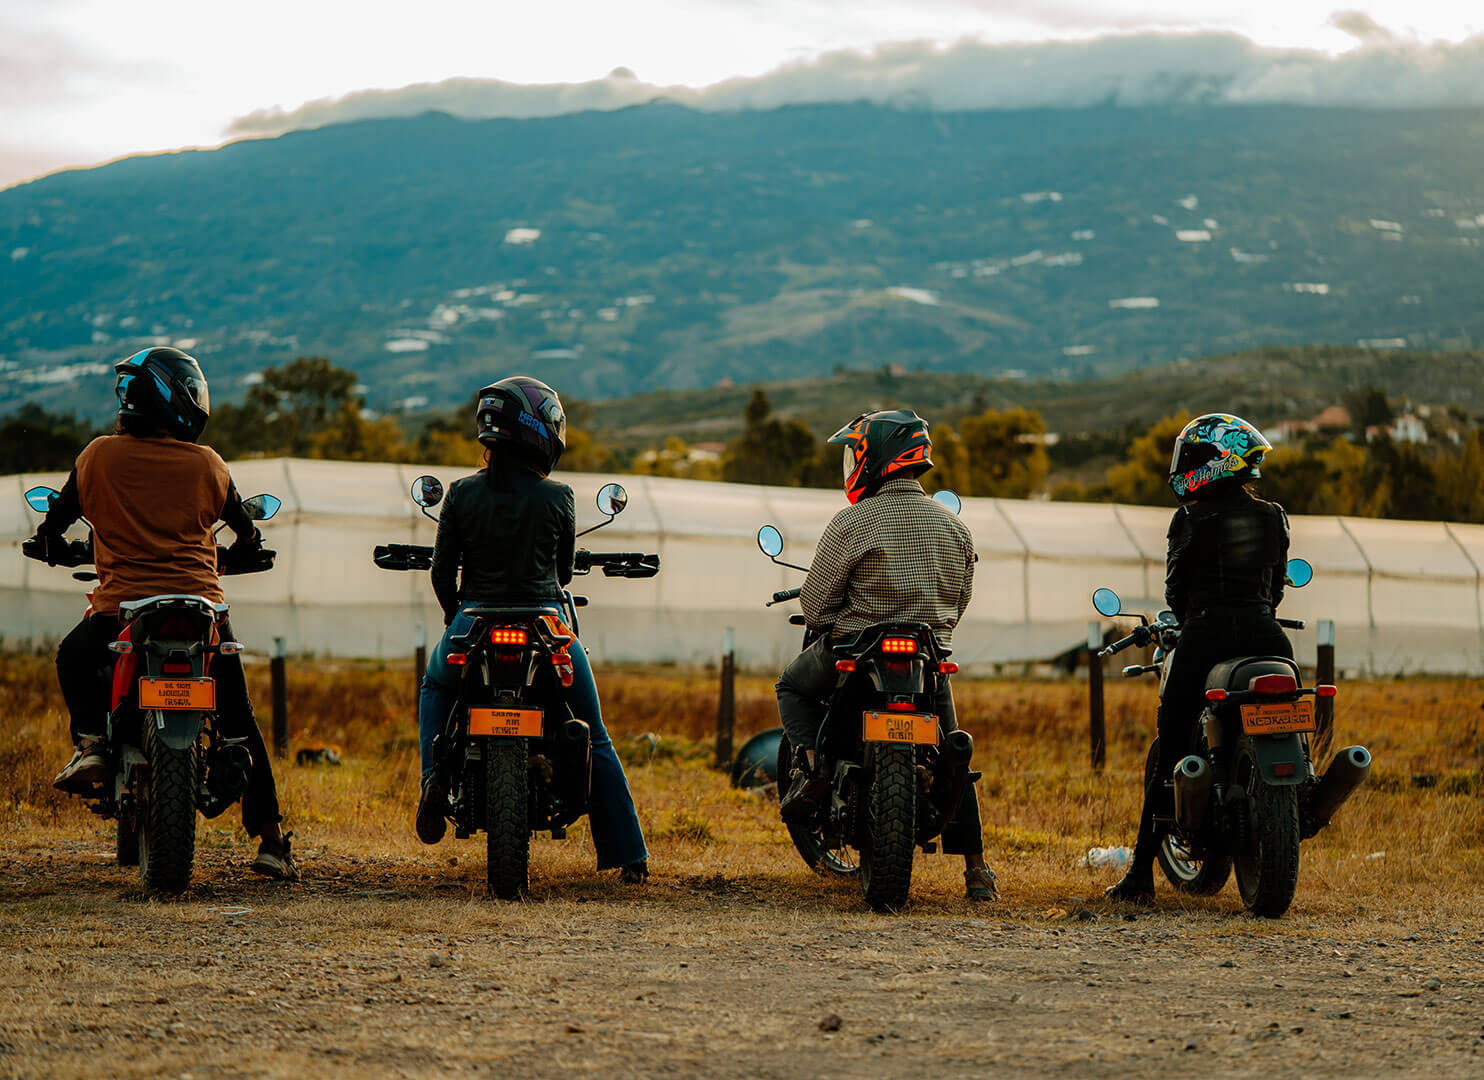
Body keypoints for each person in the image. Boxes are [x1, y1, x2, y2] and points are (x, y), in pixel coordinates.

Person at [30, 346, 298, 881]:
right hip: (201, 611)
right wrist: (245, 550)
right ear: (184, 401)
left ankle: (92, 746)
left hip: (120, 611)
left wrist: (48, 544)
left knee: (72, 655)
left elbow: (54, 527)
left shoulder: (97, 457)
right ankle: (271, 842)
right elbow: (248, 535)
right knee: (239, 717)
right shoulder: (208, 465)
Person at [414, 375, 650, 882]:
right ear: (539, 429)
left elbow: (440, 571)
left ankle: (433, 778)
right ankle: (629, 856)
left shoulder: (459, 494)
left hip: (472, 620)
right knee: (593, 729)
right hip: (547, 621)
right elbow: (562, 574)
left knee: (436, 685)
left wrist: (456, 614)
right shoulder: (559, 497)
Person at [774, 409, 997, 901]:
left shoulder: (853, 522)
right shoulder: (955, 528)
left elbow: (816, 605)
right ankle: (978, 872)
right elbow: (958, 603)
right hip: (927, 658)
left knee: (790, 686)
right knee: (952, 753)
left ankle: (812, 770)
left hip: (856, 653)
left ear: (873, 459)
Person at [1106, 413, 1291, 902]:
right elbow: (1275, 590)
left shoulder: (1189, 519)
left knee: (1168, 751)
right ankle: (1297, 786)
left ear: (1214, 462)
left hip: (1205, 635)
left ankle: (1140, 875)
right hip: (1268, 638)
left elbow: (1176, 595)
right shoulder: (1273, 515)